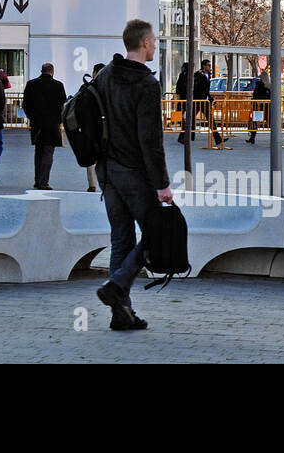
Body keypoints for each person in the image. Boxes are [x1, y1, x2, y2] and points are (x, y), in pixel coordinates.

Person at [93, 18, 170, 332]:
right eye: (154, 40)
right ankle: (119, 283)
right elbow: (150, 140)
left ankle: (120, 314)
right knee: (157, 235)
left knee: (121, 241)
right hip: (136, 175)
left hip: (108, 173)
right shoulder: (147, 84)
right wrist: (162, 184)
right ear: (146, 42)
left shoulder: (105, 76)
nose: (156, 44)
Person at [22, 62, 66, 189]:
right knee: (48, 153)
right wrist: (58, 120)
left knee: (38, 152)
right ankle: (43, 181)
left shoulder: (31, 84)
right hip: (52, 124)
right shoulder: (58, 85)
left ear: (42, 71)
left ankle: (37, 179)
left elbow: (26, 105)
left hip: (37, 124)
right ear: (52, 71)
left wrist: (32, 117)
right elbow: (63, 104)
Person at [85, 63, 106, 191]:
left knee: (91, 159)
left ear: (94, 73)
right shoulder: (110, 88)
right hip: (106, 130)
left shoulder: (87, 87)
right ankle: (106, 184)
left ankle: (92, 184)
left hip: (90, 129)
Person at [247, 70, 271, 144]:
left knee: (255, 122)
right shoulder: (270, 85)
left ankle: (252, 138)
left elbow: (256, 94)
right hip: (267, 107)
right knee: (270, 123)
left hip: (258, 107)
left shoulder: (259, 83)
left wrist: (253, 101)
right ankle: (274, 139)